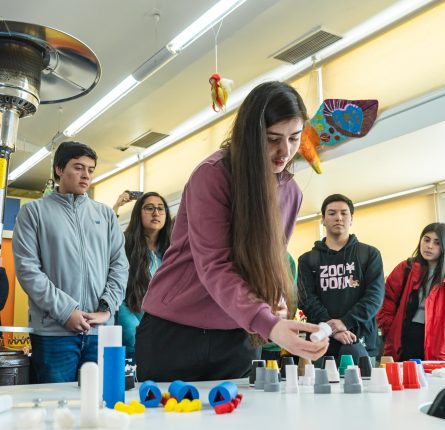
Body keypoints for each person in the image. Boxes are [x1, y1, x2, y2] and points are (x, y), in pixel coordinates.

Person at [136, 81, 328, 383]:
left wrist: (274, 298)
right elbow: (214, 264)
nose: (285, 151)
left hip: (236, 335)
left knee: (234, 428)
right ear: (250, 136)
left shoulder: (290, 192)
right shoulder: (212, 175)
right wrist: (266, 321)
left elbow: (274, 258)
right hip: (174, 331)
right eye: (272, 139)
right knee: (167, 427)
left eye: (294, 138)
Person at [13, 141, 128, 383]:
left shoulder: (105, 214)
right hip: (55, 333)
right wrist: (67, 312)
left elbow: (119, 265)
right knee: (56, 407)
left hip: (101, 331)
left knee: (102, 403)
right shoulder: (33, 212)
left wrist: (106, 309)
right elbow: (28, 271)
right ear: (58, 169)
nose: (86, 175)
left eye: (90, 169)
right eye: (78, 167)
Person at [298, 194, 384, 362]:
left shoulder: (369, 254)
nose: (338, 218)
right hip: (321, 345)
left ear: (351, 219)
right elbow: (306, 299)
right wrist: (333, 329)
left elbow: (375, 297)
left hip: (361, 342)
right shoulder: (307, 259)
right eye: (332, 213)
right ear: (323, 219)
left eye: (344, 213)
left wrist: (345, 322)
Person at [377, 222, 445, 361]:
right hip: (403, 340)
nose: (429, 246)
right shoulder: (405, 269)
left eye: (437, 243)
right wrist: (389, 330)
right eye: (426, 240)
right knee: (404, 381)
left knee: (436, 381)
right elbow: (385, 300)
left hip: (438, 344)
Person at [117, 192, 173, 363]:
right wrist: (137, 336)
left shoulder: (172, 251)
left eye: (160, 209)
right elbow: (120, 299)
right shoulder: (124, 245)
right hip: (134, 340)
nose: (156, 213)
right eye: (149, 208)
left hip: (167, 340)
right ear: (138, 214)